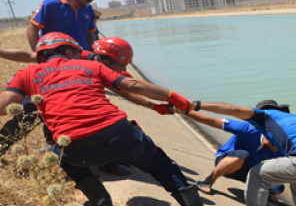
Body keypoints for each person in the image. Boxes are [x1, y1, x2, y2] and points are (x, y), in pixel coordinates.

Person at [0, 32, 209, 206]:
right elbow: (133, 85)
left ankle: (102, 205)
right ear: (71, 52)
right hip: (121, 136)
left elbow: (4, 107)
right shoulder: (90, 65)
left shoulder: (26, 74)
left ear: (40, 56)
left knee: (60, 155)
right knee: (163, 166)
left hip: (75, 149)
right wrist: (173, 97)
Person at [0, 37, 173, 178]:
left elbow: (129, 89)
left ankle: (107, 164)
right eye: (121, 66)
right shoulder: (65, 57)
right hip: (50, 95)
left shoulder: (95, 62)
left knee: (99, 118)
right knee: (29, 115)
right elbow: (29, 55)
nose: (123, 70)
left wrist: (153, 106)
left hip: (82, 104)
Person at [184, 100, 287, 201]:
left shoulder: (282, 144)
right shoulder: (248, 128)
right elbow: (212, 121)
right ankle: (209, 180)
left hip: (249, 170)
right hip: (229, 161)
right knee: (242, 155)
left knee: (277, 188)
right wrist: (185, 110)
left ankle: (262, 191)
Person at [27, 0, 102, 51]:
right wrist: (38, 53)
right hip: (57, 58)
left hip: (83, 58)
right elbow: (32, 28)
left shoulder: (88, 8)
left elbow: (90, 34)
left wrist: (92, 54)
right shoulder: (51, 5)